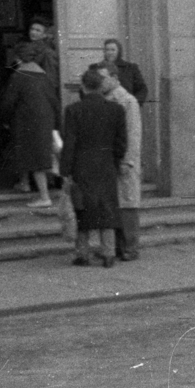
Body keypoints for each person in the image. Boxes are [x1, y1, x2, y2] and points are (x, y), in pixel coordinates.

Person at [62, 67, 128, 267]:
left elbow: (69, 143)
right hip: (106, 164)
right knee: (107, 208)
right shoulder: (116, 110)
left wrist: (65, 171)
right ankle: (108, 253)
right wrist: (114, 161)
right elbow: (121, 143)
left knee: (83, 208)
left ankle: (83, 254)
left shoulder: (73, 110)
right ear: (102, 86)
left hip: (82, 166)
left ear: (83, 87)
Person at [0, 40, 61, 207]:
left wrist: (4, 120)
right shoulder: (44, 76)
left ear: (19, 58)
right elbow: (54, 102)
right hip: (45, 121)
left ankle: (44, 196)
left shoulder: (18, 76)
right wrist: (56, 123)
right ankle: (29, 185)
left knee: (34, 159)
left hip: (25, 122)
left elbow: (8, 102)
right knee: (39, 156)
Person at [94, 63, 144, 260]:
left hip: (123, 160)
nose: (100, 83)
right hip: (107, 161)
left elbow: (133, 133)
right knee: (112, 204)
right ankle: (114, 246)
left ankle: (130, 247)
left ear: (115, 78)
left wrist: (128, 161)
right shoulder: (103, 100)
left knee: (127, 204)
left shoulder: (127, 101)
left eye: (103, 78)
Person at [101, 39, 149, 105]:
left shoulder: (130, 68)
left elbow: (142, 89)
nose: (110, 53)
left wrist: (133, 103)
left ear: (119, 51)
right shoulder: (97, 68)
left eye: (113, 50)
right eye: (107, 50)